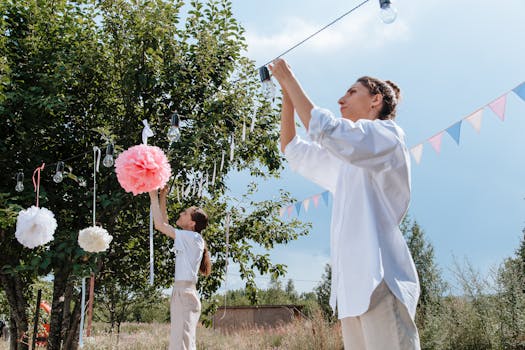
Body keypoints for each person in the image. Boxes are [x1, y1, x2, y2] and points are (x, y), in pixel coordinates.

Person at [269, 58, 420, 349]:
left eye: (351, 92)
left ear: (375, 100)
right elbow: (292, 148)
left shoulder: (388, 136)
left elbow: (325, 128)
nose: (341, 99)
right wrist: (287, 96)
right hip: (351, 291)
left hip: (381, 280)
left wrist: (290, 79)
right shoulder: (346, 159)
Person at [149, 186, 212, 350]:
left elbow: (159, 225)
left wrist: (153, 197)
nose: (180, 214)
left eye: (184, 213)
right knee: (180, 343)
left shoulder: (192, 237)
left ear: (191, 223)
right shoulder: (190, 237)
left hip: (184, 294)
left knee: (181, 345)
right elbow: (164, 223)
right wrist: (162, 197)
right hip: (182, 293)